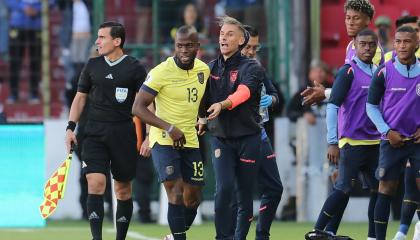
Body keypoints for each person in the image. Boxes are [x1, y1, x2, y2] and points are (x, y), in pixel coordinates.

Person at [65, 21, 147, 240]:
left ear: (117, 41)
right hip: (94, 133)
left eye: (102, 37)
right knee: (96, 181)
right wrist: (70, 127)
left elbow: (147, 104)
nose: (97, 41)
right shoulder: (92, 65)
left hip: (123, 133)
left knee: (122, 189)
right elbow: (80, 98)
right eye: (97, 37)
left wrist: (149, 135)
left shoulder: (135, 67)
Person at [132, 25, 210, 240]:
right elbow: (137, 107)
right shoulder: (160, 72)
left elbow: (202, 96)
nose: (184, 50)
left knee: (193, 198)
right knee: (174, 190)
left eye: (188, 46)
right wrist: (168, 128)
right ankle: (179, 238)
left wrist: (202, 117)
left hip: (191, 140)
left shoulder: (203, 70)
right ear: (174, 47)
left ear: (197, 47)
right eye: (179, 46)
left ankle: (172, 237)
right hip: (164, 138)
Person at [307, 29, 380, 240]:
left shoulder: (379, 71)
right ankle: (318, 230)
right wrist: (332, 142)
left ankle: (373, 236)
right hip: (352, 141)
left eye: (371, 45)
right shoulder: (348, 71)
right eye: (363, 44)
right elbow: (333, 106)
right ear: (355, 46)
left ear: (376, 47)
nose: (367, 48)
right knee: (343, 188)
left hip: (375, 142)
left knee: (379, 190)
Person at [198, 16, 264, 240]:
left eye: (229, 34)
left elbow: (244, 93)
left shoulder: (251, 67)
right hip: (221, 139)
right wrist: (202, 119)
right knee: (224, 188)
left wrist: (223, 104)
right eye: (221, 34)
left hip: (249, 138)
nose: (223, 38)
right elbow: (202, 101)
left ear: (241, 40)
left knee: (244, 194)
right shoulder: (210, 68)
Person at [366, 26, 420, 240]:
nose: (402, 45)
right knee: (386, 189)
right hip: (391, 141)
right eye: (398, 41)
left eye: (407, 41)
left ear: (416, 45)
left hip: (417, 141)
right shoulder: (384, 71)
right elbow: (371, 106)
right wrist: (387, 131)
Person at [231, 24, 283, 240]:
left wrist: (270, 99)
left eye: (256, 47)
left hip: (260, 134)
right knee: (242, 197)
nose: (252, 52)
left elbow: (276, 95)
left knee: (274, 188)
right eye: (249, 47)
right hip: (237, 138)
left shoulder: (257, 68)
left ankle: (262, 234)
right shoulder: (228, 70)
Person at [300, 0, 383, 106]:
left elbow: (365, 88)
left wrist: (325, 93)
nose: (350, 23)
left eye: (356, 18)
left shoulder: (374, 50)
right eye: (348, 18)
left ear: (367, 20)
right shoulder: (350, 46)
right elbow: (349, 85)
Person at [388, 15, 420, 240]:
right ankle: (401, 233)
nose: (404, 44)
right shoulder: (388, 63)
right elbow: (368, 96)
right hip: (404, 136)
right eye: (400, 39)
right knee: (409, 182)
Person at [6, 0, 43, 104]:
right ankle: (13, 94)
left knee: (35, 61)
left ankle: (34, 94)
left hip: (36, 25)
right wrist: (23, 7)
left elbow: (52, 2)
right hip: (17, 25)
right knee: (15, 61)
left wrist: (37, 9)